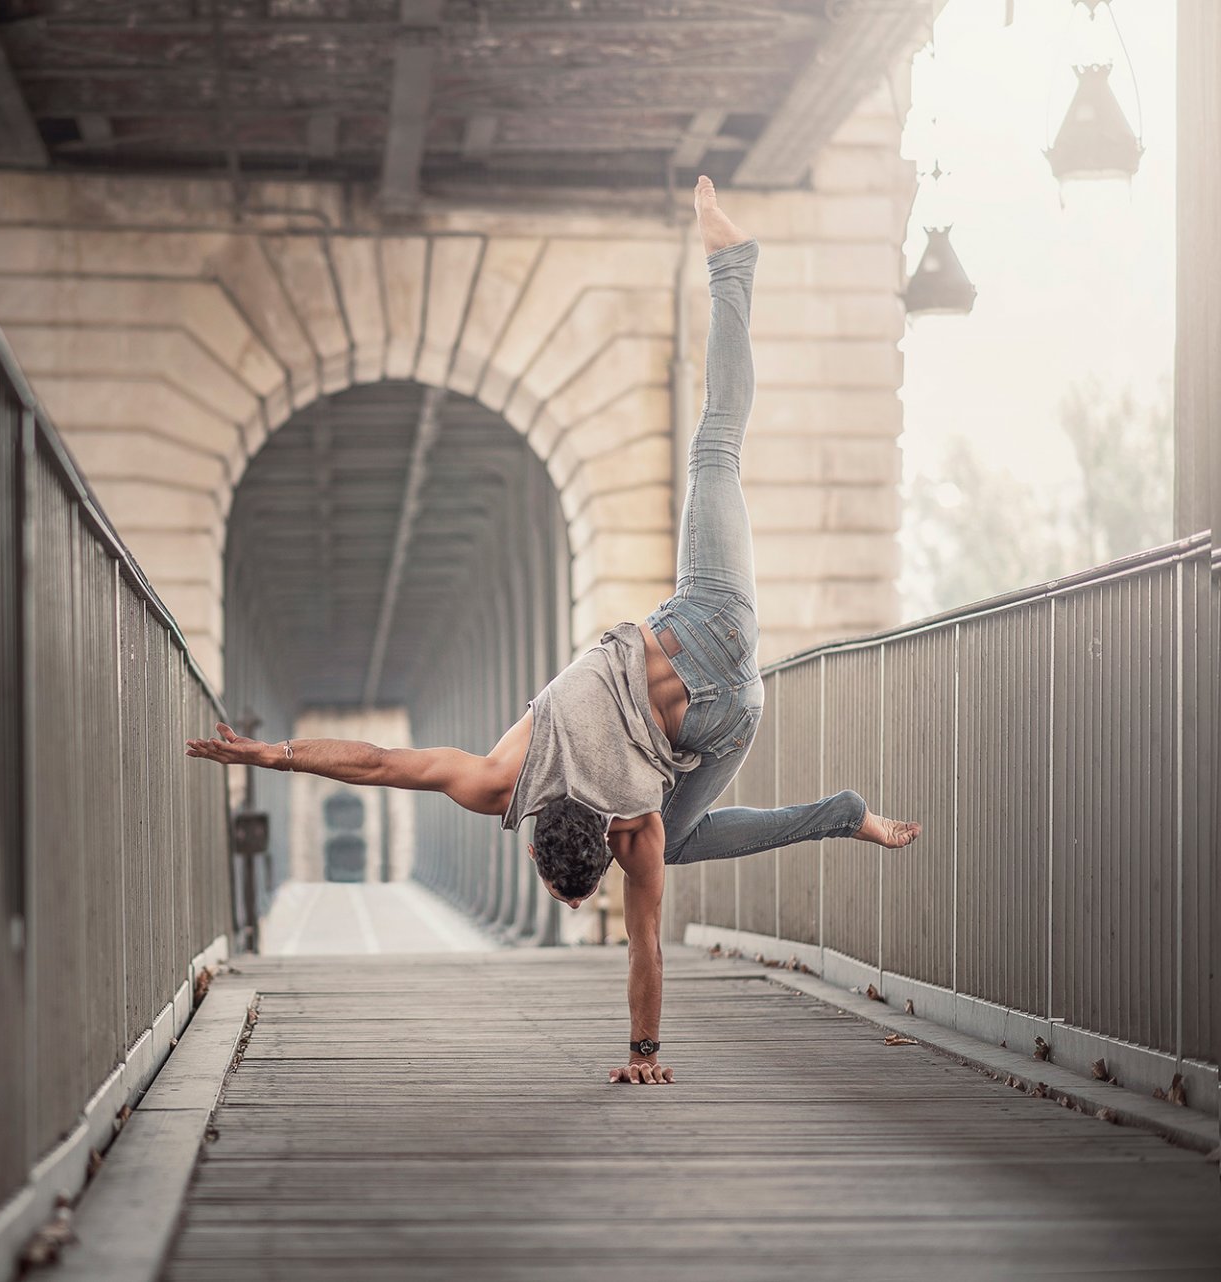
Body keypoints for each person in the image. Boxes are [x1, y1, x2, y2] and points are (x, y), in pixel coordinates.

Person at [185, 176, 922, 1088]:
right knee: (716, 443)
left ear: (582, 850)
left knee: (689, 841)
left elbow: (645, 948)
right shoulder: (504, 779)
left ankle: (842, 817)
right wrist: (267, 755)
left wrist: (645, 1058)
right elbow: (382, 761)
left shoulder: (640, 832)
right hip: (699, 626)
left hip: (731, 705)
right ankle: (732, 266)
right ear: (537, 838)